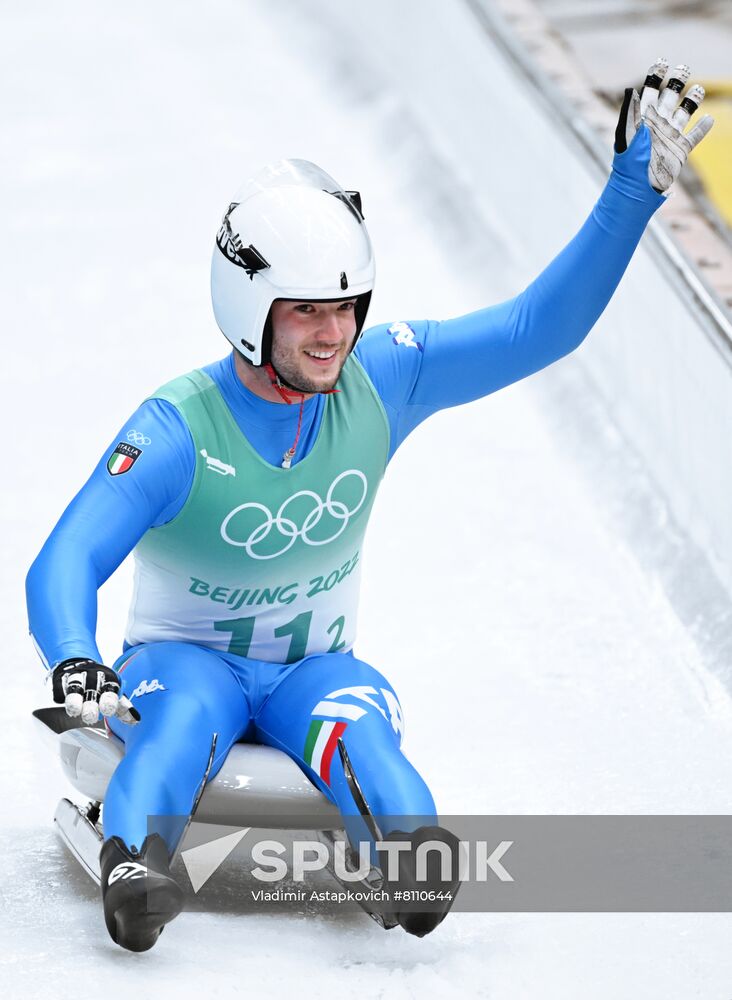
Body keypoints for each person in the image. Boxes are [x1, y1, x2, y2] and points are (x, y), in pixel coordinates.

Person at [26, 60, 713, 952]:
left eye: (348, 306)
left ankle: (410, 853)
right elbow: (67, 557)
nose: (335, 333)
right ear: (249, 310)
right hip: (185, 662)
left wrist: (633, 193)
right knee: (182, 718)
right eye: (308, 310)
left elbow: (538, 329)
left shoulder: (383, 376)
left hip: (313, 667)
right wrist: (76, 659)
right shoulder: (175, 430)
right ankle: (138, 865)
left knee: (368, 733)